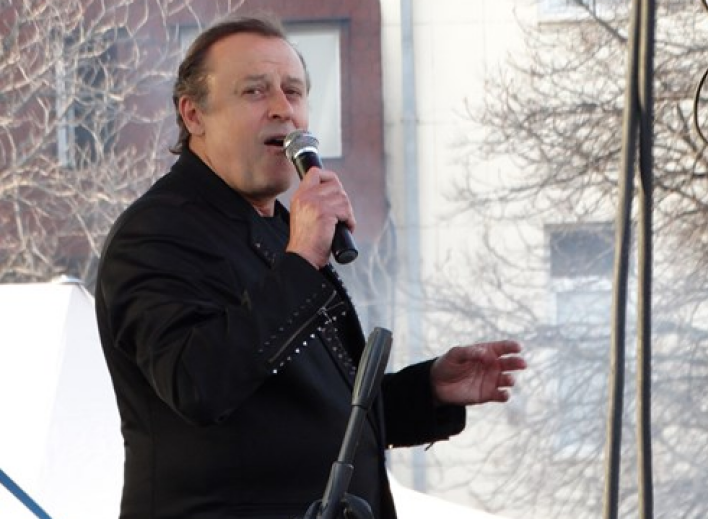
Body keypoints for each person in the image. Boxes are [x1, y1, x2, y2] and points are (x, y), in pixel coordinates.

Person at [94, 14, 526, 519]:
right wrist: (300, 261)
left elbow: (312, 413)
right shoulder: (157, 233)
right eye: (255, 91)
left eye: (294, 91)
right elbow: (198, 383)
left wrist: (426, 389)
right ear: (194, 115)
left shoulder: (283, 230)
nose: (284, 108)